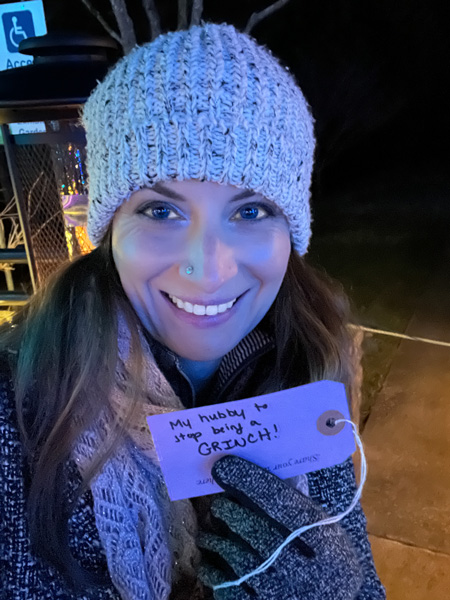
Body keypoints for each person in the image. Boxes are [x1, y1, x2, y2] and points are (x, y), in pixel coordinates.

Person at [0, 21, 385, 600]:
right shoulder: (21, 407)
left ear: (291, 233)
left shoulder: (311, 372)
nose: (209, 268)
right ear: (108, 231)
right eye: (161, 212)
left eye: (250, 212)